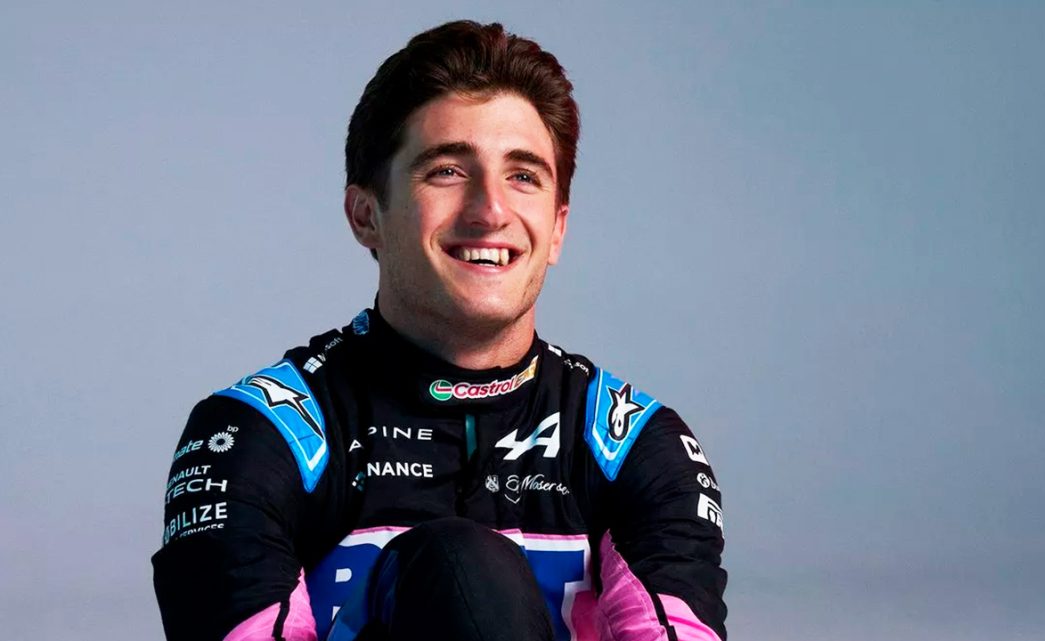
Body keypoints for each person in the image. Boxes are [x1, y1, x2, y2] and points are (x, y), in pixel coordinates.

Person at [152, 20, 727, 641]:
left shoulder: (635, 444)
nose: (491, 210)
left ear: (558, 227)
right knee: (460, 564)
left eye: (523, 176)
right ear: (366, 215)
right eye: (448, 171)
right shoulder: (255, 435)